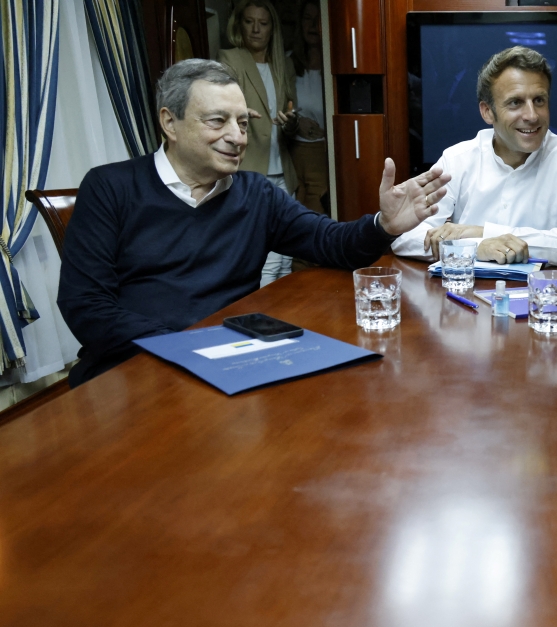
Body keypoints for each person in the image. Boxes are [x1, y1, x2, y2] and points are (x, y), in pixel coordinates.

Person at [57, 59, 450, 388]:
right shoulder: (110, 187)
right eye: (218, 121)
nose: (237, 137)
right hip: (135, 367)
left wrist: (383, 225)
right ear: (170, 122)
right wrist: (182, 347)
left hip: (232, 366)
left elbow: (330, 243)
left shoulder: (255, 193)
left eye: (243, 124)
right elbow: (86, 306)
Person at [391, 46, 557, 267]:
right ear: (487, 112)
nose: (532, 115)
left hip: (539, 294)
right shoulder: (457, 159)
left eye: (539, 100)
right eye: (515, 102)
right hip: (464, 295)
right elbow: (404, 235)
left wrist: (482, 232)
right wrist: (476, 248)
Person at [218, 0, 298, 286]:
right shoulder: (230, 58)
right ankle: (262, 319)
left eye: (263, 24)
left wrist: (290, 121)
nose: (255, 29)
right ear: (239, 25)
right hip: (251, 168)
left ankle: (286, 318)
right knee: (267, 258)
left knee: (286, 256)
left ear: (272, 29)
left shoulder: (283, 64)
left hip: (283, 169)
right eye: (249, 21)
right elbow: (222, 104)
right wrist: (239, 114)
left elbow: (293, 112)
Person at [290, 0, 329, 215]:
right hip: (293, 155)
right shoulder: (288, 64)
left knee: (315, 217)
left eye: (318, 20)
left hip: (322, 154)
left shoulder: (332, 66)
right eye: (307, 19)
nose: (313, 26)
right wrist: (297, 122)